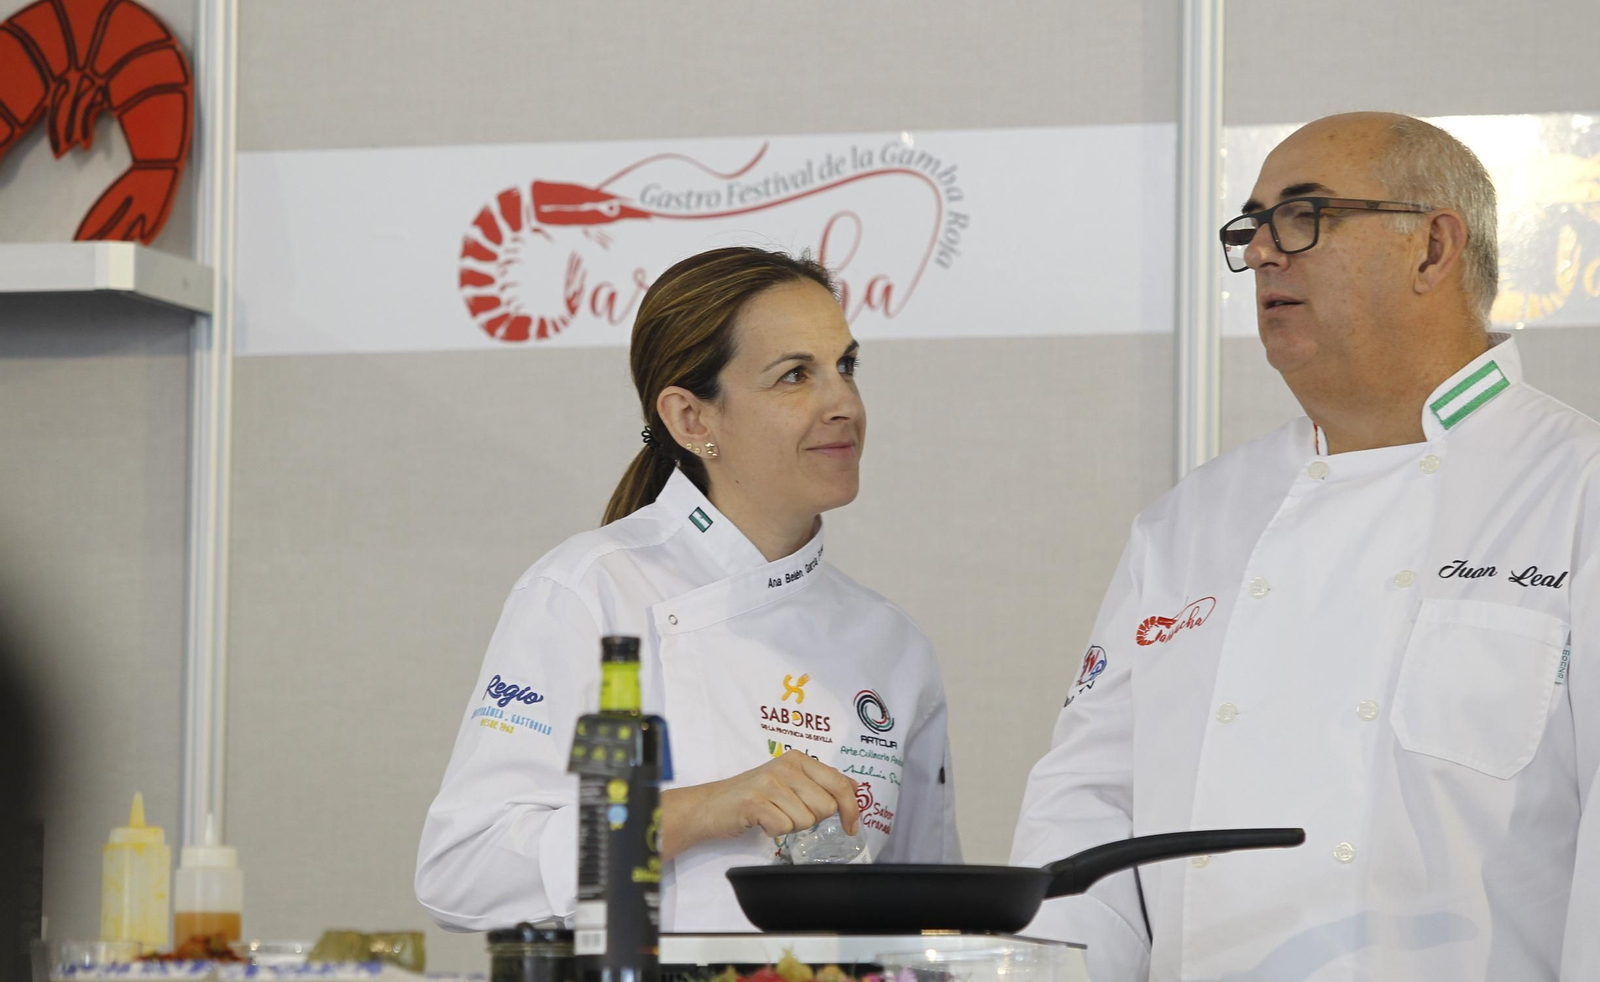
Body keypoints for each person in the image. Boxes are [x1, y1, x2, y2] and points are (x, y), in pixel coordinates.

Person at [1011, 112, 1600, 981]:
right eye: (1251, 227)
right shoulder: (1187, 524)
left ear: (1432, 249)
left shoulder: (1575, 492)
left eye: (1304, 215)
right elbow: (1085, 816)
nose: (1261, 252)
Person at [417, 246, 960, 934]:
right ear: (691, 418)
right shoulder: (591, 591)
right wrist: (705, 808)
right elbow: (463, 871)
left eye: (844, 366)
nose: (843, 404)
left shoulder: (895, 646)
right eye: (796, 375)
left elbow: (930, 920)